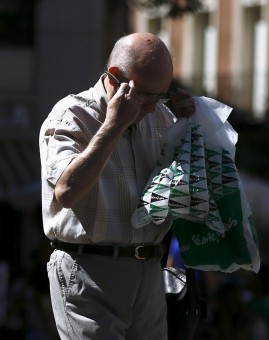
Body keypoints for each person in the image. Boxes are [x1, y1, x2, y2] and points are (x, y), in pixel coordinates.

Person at [39, 32, 196, 339]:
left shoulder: (161, 118)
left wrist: (192, 128)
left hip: (150, 269)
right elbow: (66, 191)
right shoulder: (72, 114)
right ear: (114, 78)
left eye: (160, 95)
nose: (152, 106)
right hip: (88, 268)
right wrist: (114, 125)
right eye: (146, 95)